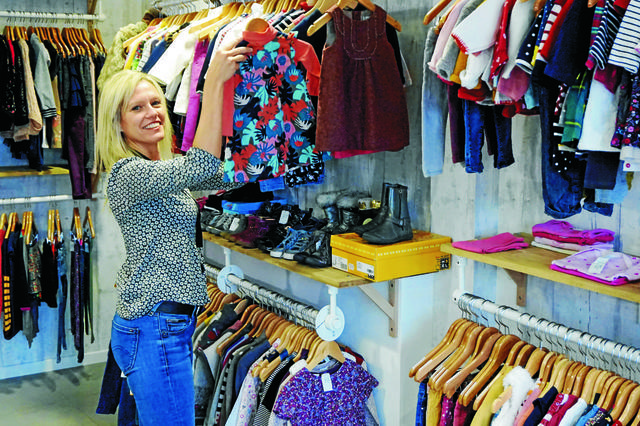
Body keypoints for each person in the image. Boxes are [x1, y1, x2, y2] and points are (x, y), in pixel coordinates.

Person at [94, 36, 251, 425]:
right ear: (118, 123)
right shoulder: (128, 174)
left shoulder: (164, 172)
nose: (152, 113)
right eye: (136, 108)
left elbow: (216, 174)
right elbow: (201, 167)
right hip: (154, 328)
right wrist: (212, 81)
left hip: (166, 325)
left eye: (155, 103)